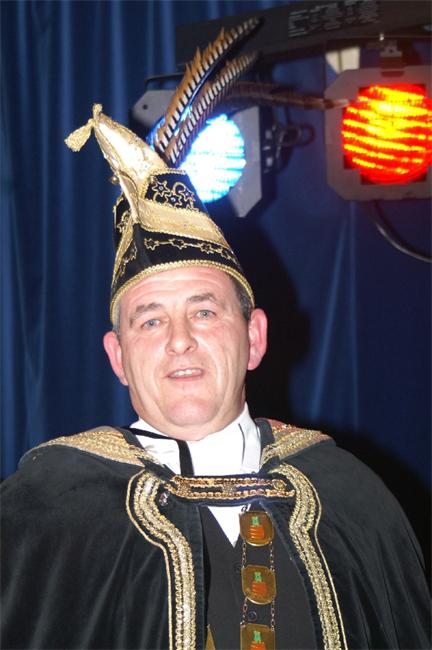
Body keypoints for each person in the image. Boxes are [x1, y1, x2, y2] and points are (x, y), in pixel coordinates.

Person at [1, 101, 430, 650]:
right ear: (118, 357)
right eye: (150, 320)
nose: (179, 339)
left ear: (254, 338)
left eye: (204, 312)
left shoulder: (350, 496)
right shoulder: (46, 510)